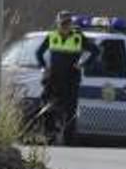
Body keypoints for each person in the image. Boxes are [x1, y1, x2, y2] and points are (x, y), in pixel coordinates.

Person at [34, 11, 99, 144]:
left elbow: (95, 51)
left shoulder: (78, 37)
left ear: (71, 24)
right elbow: (39, 53)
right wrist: (44, 67)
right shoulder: (52, 36)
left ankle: (69, 140)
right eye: (62, 23)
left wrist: (83, 64)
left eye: (68, 23)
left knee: (70, 111)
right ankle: (49, 136)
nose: (65, 26)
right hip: (54, 79)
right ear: (58, 24)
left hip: (71, 79)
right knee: (48, 108)